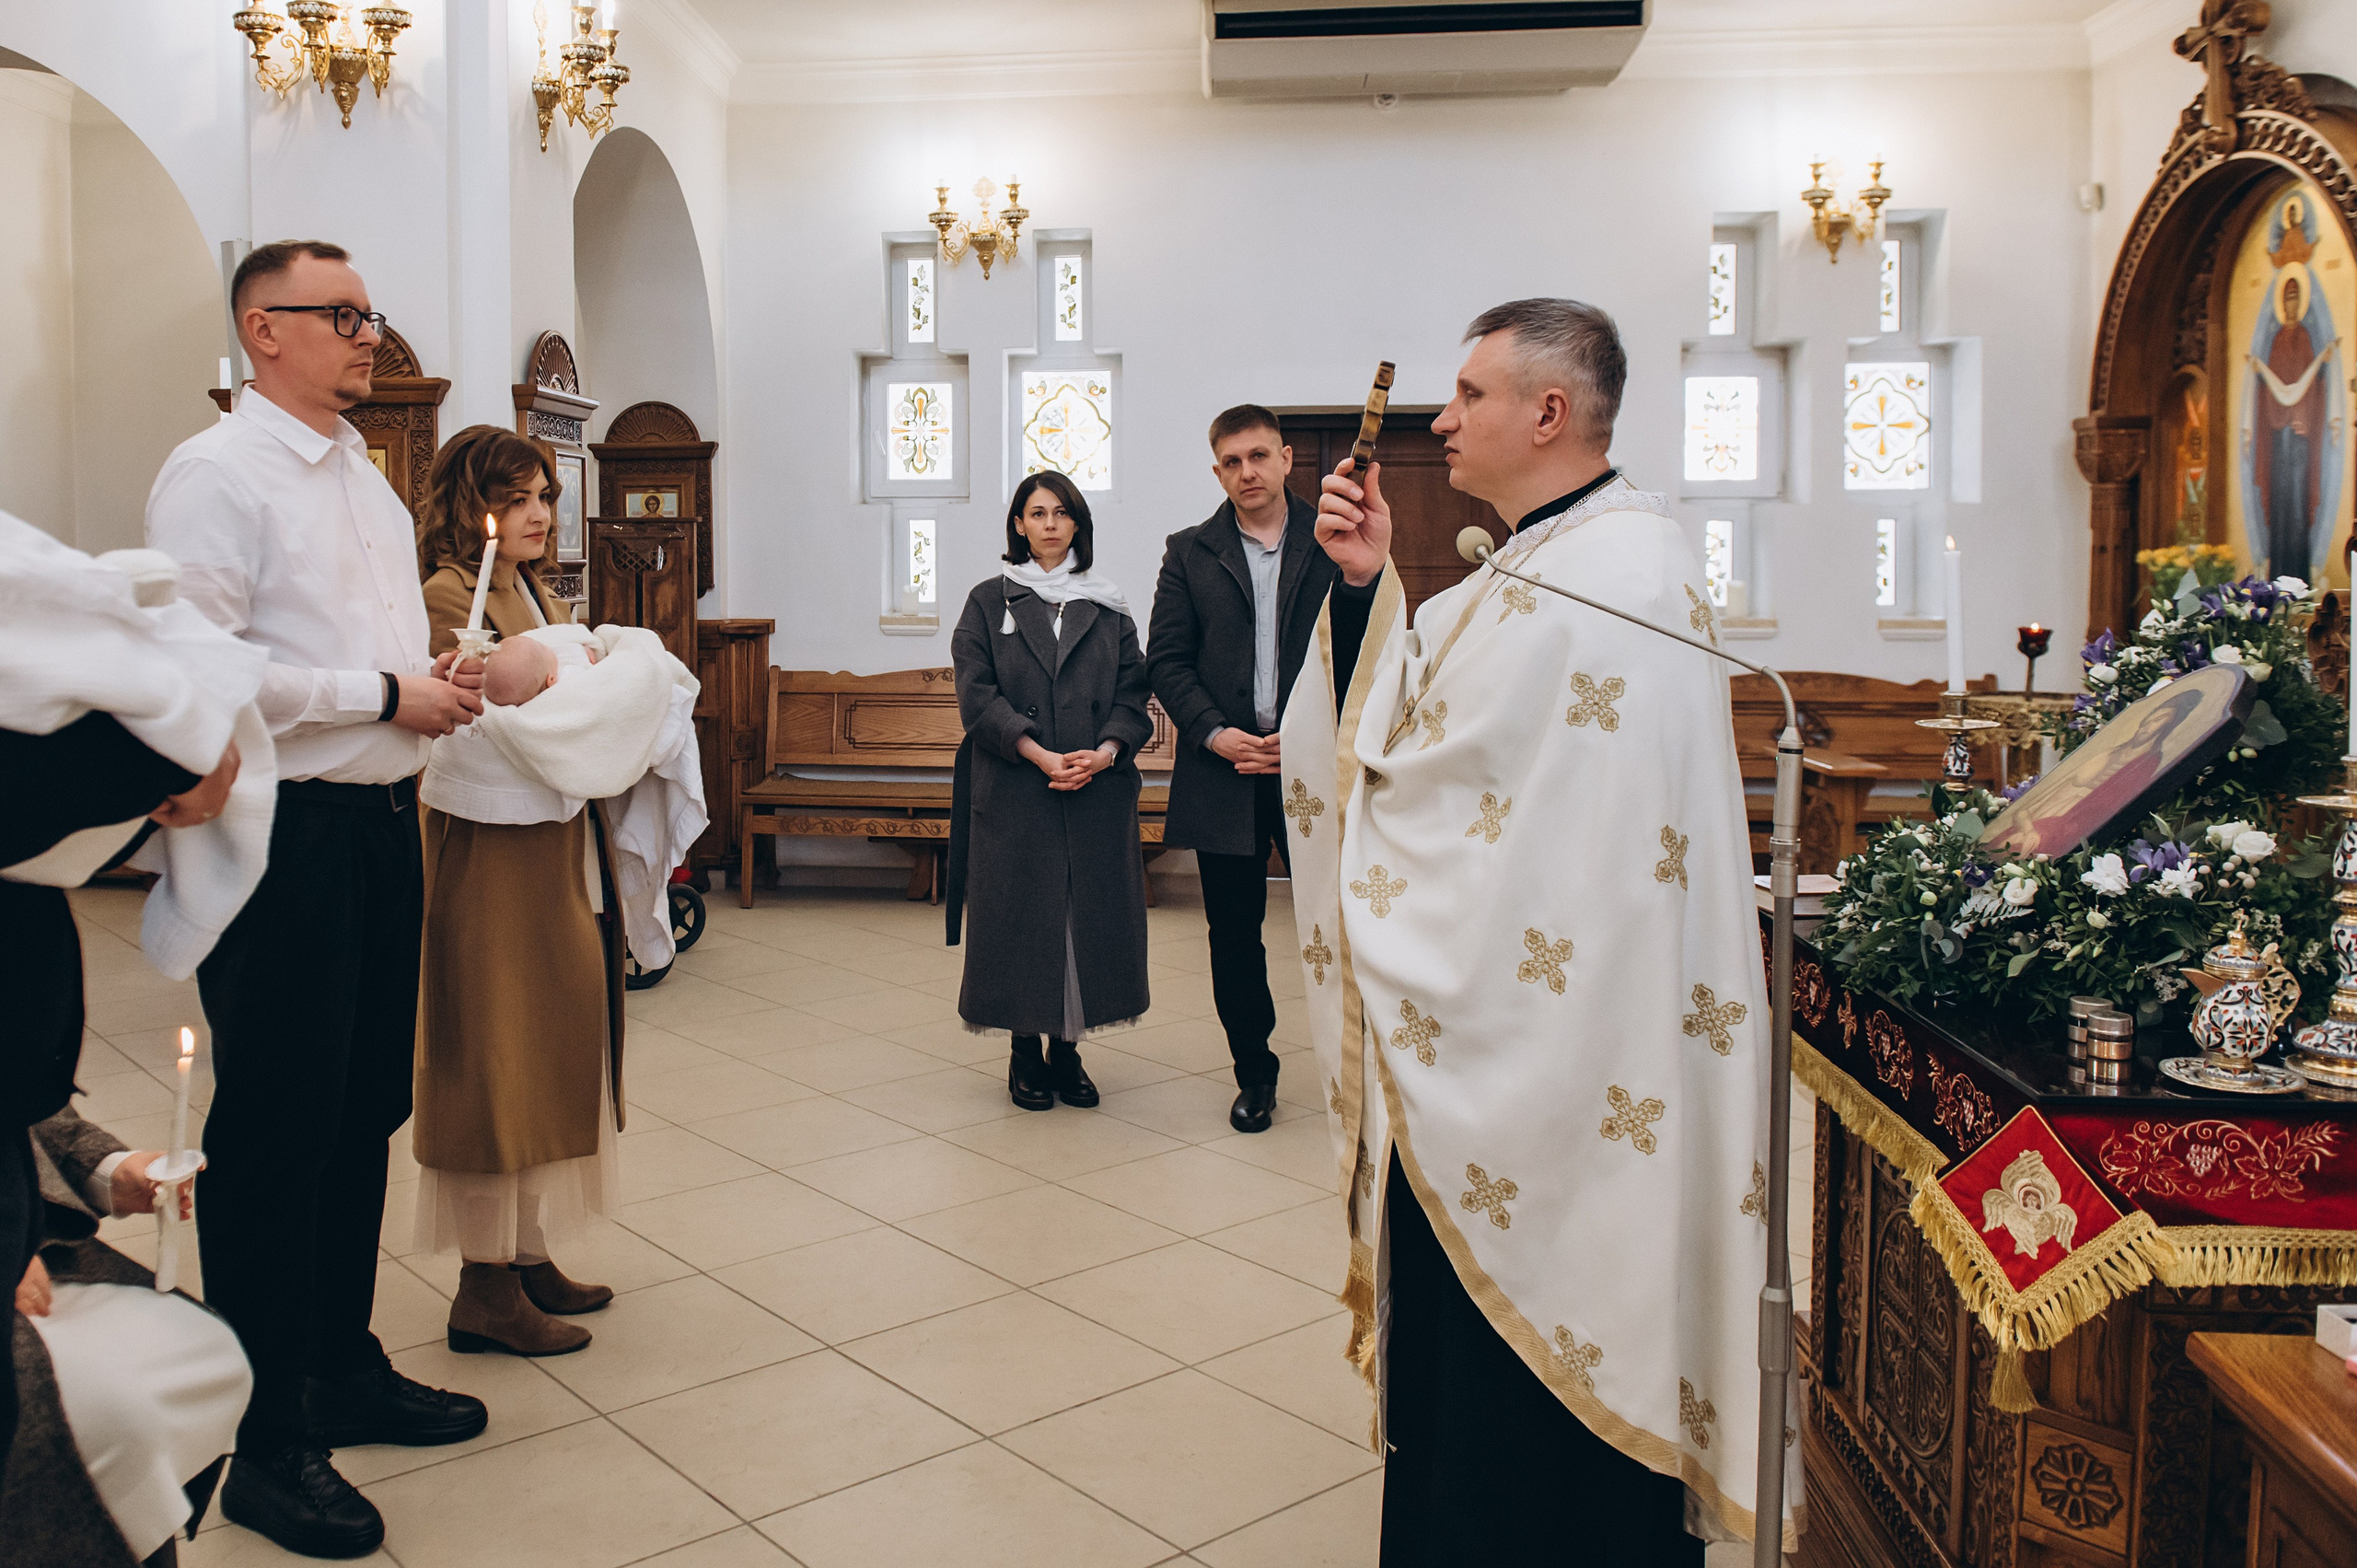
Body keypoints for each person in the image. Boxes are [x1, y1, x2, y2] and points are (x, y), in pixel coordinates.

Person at [1294, 298, 1783, 1562]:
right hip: (1505, 1036)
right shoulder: (1541, 560)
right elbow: (1432, 724)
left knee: (1545, 1453)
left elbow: (1445, 778)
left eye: (1468, 393)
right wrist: (1369, 584)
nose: (1441, 419)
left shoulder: (1622, 575)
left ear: (1549, 411)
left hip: (1573, 1056)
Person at [145, 239, 490, 1561]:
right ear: (262, 328)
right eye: (340, 315)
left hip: (381, 823)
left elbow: (373, 651)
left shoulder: (367, 480)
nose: (366, 335)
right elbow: (206, 666)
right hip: (284, 833)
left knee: (362, 1110)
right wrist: (383, 693)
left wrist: (441, 679)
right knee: (280, 1128)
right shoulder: (216, 473)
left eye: (368, 313)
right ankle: (268, 1437)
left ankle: (341, 1363)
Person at [412, 426, 622, 1360]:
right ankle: (483, 1284)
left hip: (548, 838)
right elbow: (486, 706)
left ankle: (528, 1252)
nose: (541, 513)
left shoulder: (537, 588)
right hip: (488, 849)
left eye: (546, 496)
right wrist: (575, 680)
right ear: (476, 505)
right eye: (521, 498)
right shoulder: (447, 591)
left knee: (548, 1040)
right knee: (494, 1046)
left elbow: (567, 692)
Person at [1146, 406, 1346, 1132]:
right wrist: (1214, 732)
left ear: (1286, 458)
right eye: (1232, 462)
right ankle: (1255, 1073)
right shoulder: (1190, 552)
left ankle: (1355, 1066)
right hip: (1224, 772)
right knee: (1234, 934)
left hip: (1311, 770)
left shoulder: (1332, 539)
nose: (1247, 472)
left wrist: (1310, 733)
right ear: (1217, 471)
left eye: (1259, 455)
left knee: (1343, 924)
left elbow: (1363, 648)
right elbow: (1166, 660)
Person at [947, 470, 1154, 1110]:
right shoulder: (989, 601)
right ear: (1019, 524)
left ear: (1078, 523)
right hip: (1016, 787)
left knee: (1079, 921)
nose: (1050, 524)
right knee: (1021, 919)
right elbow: (976, 695)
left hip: (1095, 789)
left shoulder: (1107, 604)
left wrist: (1107, 752)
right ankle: (1023, 1051)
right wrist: (1037, 752)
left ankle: (1067, 1051)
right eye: (1037, 513)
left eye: (1062, 513)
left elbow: (1133, 694)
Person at [9, 1109, 250, 1566]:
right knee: (114, 1414)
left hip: (28, 1247)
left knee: (201, 1352)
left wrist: (106, 1170)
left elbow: (19, 1097)